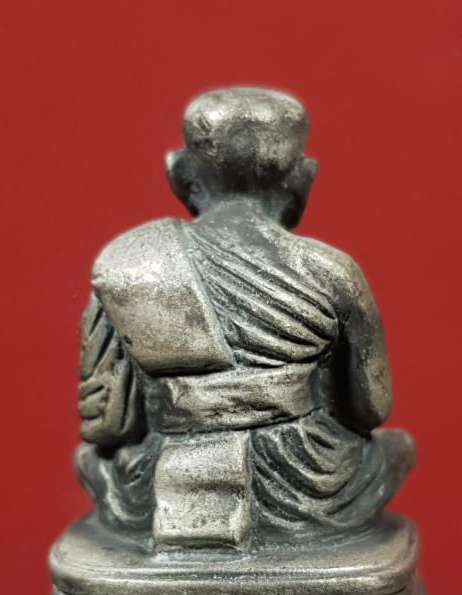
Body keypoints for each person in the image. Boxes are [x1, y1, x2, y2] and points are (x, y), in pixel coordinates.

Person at [74, 87, 414, 550]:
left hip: (158, 480)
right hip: (306, 483)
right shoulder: (332, 271)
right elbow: (369, 410)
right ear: (303, 177)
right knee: (396, 449)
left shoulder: (131, 263)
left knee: (91, 463)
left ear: (178, 172)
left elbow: (107, 425)